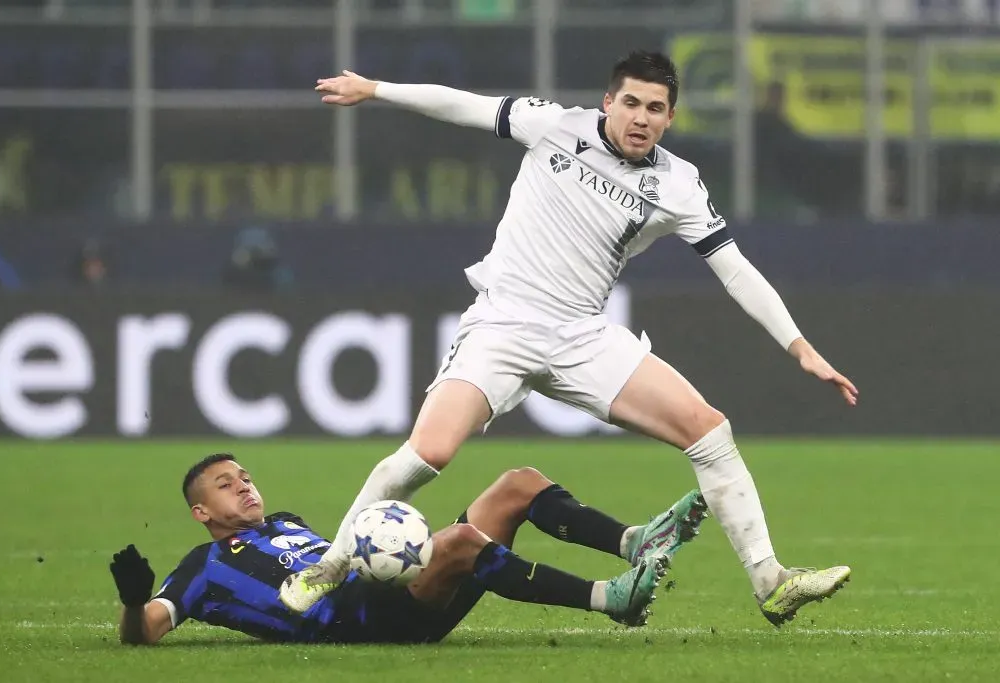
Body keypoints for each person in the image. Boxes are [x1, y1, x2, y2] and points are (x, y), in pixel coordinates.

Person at [282, 50, 857, 627]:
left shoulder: (679, 184)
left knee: (710, 431)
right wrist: (376, 88)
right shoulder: (554, 125)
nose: (640, 117)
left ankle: (772, 583)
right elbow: (461, 105)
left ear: (670, 119)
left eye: (655, 108)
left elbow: (734, 268)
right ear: (608, 102)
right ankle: (328, 567)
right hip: (502, 326)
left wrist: (799, 345)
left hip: (581, 335)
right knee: (427, 454)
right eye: (630, 102)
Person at [109, 453, 709, 645]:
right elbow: (146, 631)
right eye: (225, 484)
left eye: (243, 476)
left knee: (517, 484)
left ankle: (634, 541)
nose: (243, 485)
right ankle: (613, 600)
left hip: (386, 594)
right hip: (356, 621)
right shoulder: (203, 567)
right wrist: (136, 604)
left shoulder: (286, 523)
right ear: (201, 513)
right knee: (458, 545)